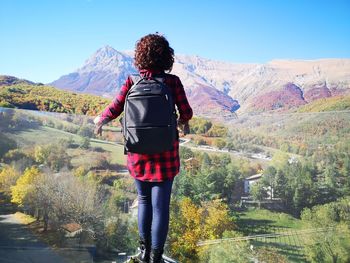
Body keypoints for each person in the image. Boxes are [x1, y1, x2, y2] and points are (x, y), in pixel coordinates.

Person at [94, 33, 193, 263]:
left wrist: (100, 121)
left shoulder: (131, 81)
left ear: (140, 58)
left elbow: (115, 108)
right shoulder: (172, 82)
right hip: (166, 155)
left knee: (144, 201)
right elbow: (187, 112)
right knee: (161, 208)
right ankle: (157, 257)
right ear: (166, 57)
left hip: (138, 154)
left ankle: (143, 252)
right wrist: (181, 120)